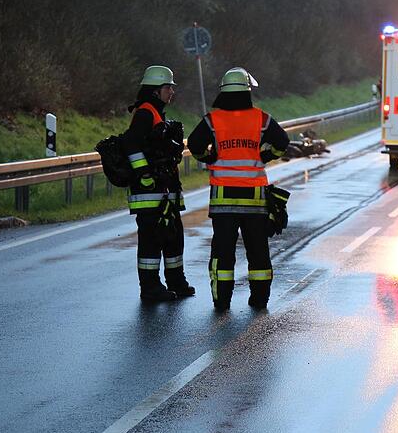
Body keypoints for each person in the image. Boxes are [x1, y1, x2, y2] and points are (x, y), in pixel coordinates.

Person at [187, 67, 289, 311]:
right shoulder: (261, 118)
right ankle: (259, 300)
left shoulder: (213, 120)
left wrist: (209, 158)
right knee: (258, 253)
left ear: (223, 92)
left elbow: (194, 144)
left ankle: (222, 302)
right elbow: (282, 142)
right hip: (254, 201)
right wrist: (265, 155)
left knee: (223, 254)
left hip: (223, 201)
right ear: (247, 92)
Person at [123, 66, 195, 302]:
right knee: (152, 241)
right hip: (149, 192)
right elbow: (131, 145)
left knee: (173, 236)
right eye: (168, 87)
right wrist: (144, 172)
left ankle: (176, 282)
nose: (171, 92)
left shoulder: (156, 112)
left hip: (164, 191)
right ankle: (151, 288)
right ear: (155, 91)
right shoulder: (145, 113)